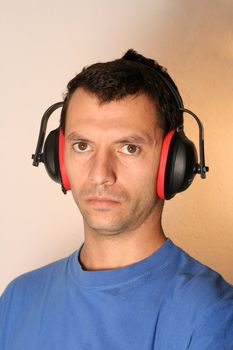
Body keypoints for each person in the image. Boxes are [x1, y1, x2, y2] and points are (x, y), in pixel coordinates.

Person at [0, 49, 233, 349]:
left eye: (129, 148)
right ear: (56, 158)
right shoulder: (17, 300)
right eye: (82, 146)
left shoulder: (212, 316)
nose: (100, 174)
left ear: (172, 164)